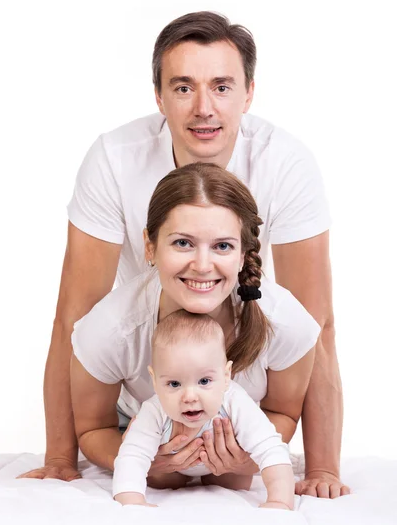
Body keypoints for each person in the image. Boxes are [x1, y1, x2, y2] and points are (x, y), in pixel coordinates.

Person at [20, 10, 349, 498]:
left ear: (248, 92)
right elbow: (74, 316)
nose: (203, 108)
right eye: (182, 87)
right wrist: (61, 460)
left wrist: (321, 469)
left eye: (221, 86)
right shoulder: (115, 160)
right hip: (149, 363)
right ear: (158, 96)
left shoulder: (286, 163)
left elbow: (315, 323)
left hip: (235, 357)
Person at [70, 163, 320, 494]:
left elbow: (283, 412)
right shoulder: (110, 329)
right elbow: (92, 429)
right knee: (163, 479)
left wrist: (244, 459)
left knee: (233, 481)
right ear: (150, 246)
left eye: (223, 246)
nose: (202, 266)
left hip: (236, 437)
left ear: (244, 254)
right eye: (183, 243)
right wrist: (143, 460)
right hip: (149, 438)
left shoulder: (285, 322)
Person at [113, 309, 295, 511]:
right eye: (174, 384)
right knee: (161, 480)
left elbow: (270, 447)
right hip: (173, 468)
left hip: (227, 466)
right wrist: (131, 500)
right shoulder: (154, 411)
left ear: (226, 376)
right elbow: (132, 455)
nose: (190, 396)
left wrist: (279, 500)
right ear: (154, 380)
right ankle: (174, 478)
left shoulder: (235, 402)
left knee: (236, 483)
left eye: (204, 381)